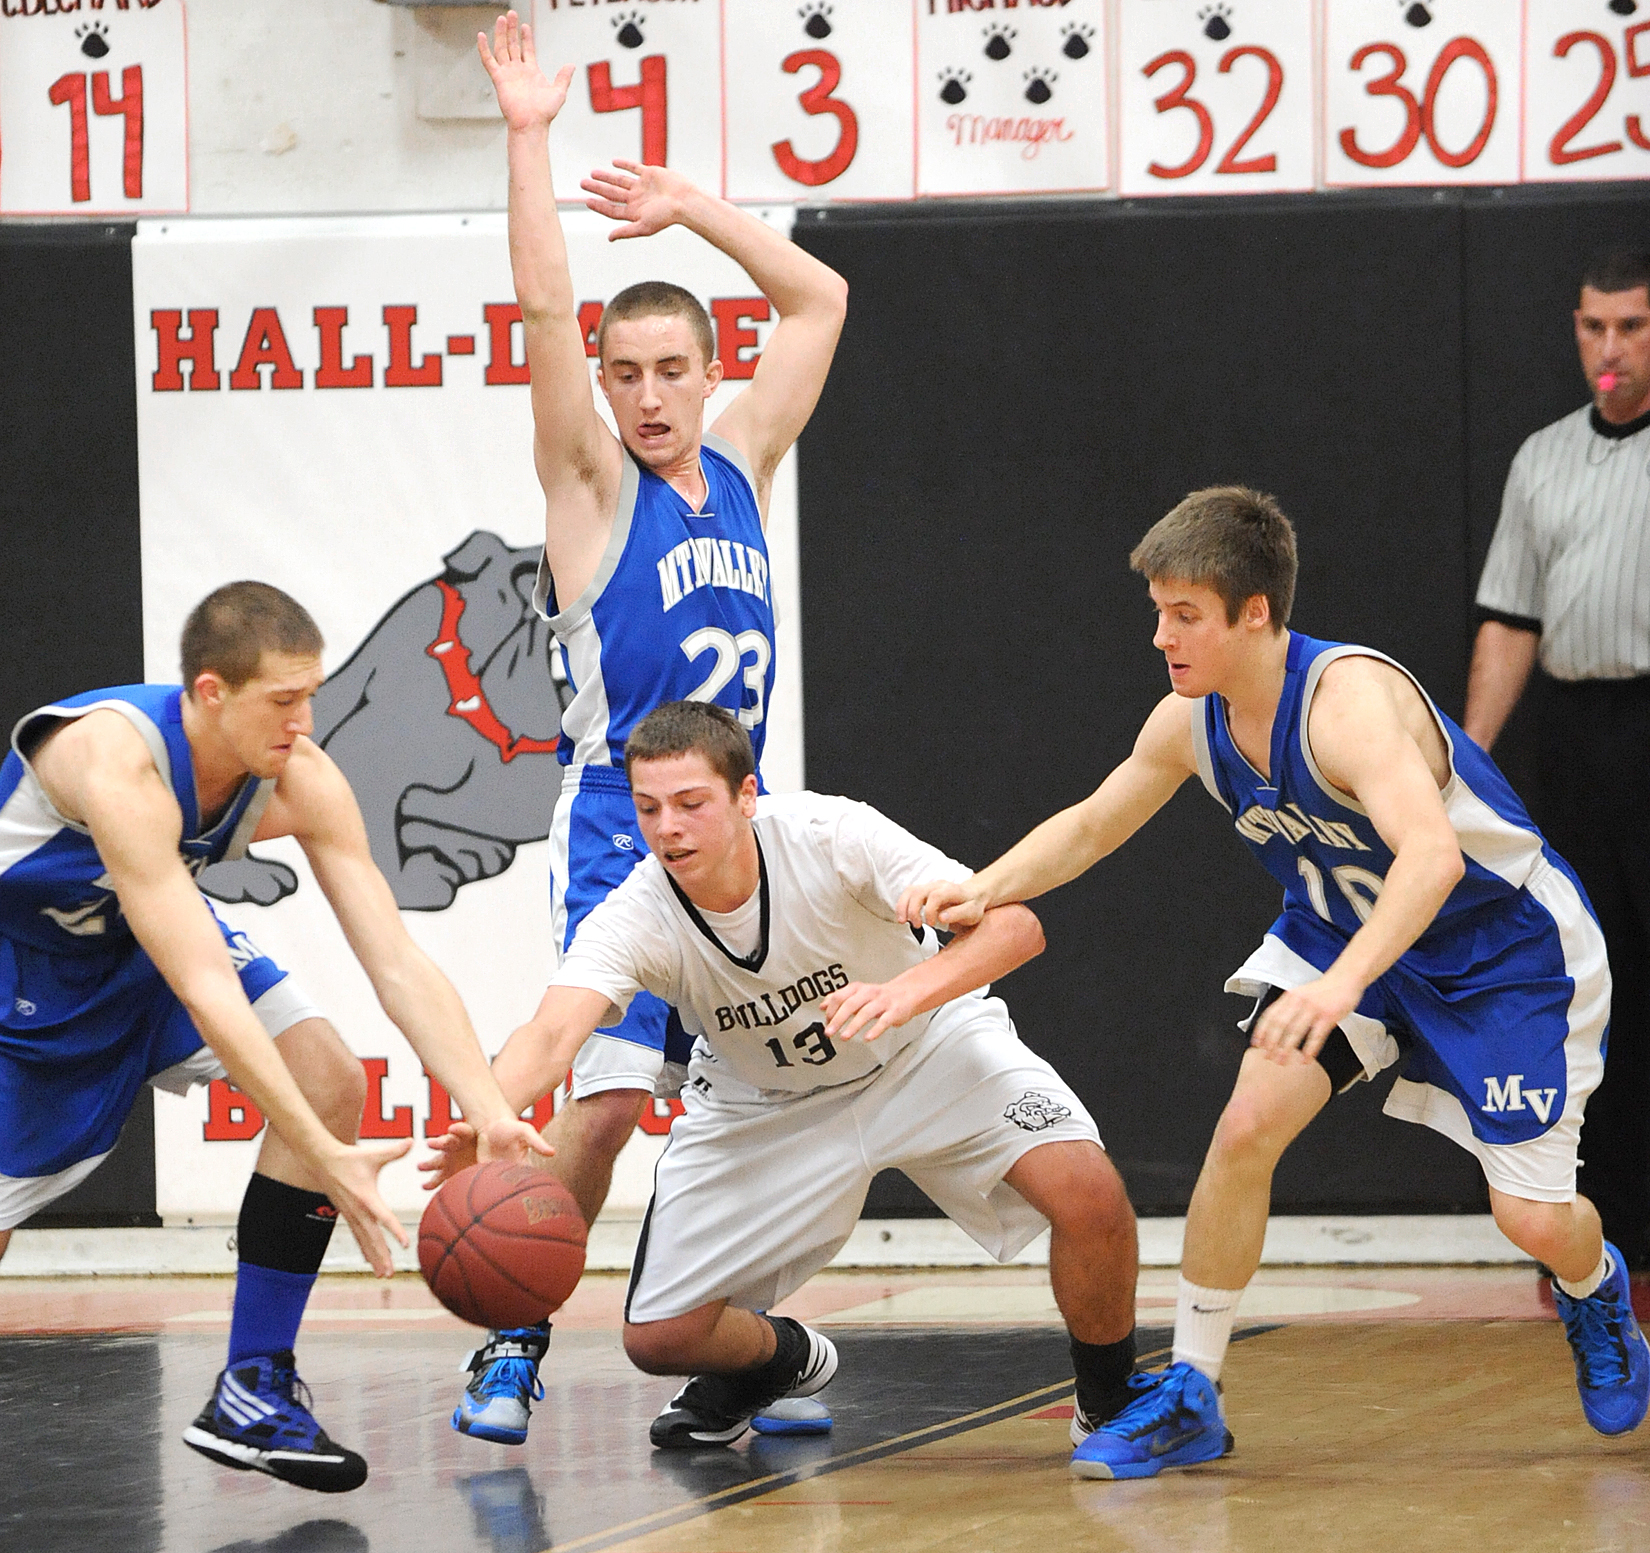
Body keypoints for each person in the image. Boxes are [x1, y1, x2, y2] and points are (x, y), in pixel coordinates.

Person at [902, 487, 1649, 1480]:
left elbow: (1430, 858)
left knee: (1532, 1219)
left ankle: (1595, 1287)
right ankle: (1193, 1390)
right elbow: (1093, 822)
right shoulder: (1190, 720)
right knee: (1247, 1124)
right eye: (1158, 611)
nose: (1162, 636)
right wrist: (982, 885)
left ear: (1254, 612)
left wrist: (1339, 988)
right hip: (1344, 930)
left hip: (1503, 952)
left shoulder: (1349, 706)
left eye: (1185, 614)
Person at [451, 12, 850, 1444]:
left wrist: (691, 206)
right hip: (629, 835)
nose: (647, 394)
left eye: (671, 368)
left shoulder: (744, 454)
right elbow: (542, 306)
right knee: (611, 1104)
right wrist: (529, 137)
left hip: (752, 838)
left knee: (781, 1105)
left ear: (705, 370)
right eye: (625, 373)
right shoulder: (590, 489)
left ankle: (747, 1356)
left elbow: (819, 300)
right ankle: (511, 1342)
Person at [425, 700, 1142, 1460]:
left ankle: (1109, 1405)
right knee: (659, 1337)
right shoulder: (636, 912)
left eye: (691, 803)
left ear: (745, 795)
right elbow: (550, 1032)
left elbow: (1015, 927)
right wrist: (490, 1111)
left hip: (924, 1048)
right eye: (649, 808)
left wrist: (906, 992)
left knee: (1090, 1194)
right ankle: (781, 1361)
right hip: (763, 1101)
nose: (668, 828)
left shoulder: (831, 835)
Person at [0, 582, 549, 1493]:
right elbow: (206, 986)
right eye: (283, 700)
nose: (305, 722)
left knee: (329, 1078)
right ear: (210, 692)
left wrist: (488, 1108)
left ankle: (251, 1387)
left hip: (143, 944)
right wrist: (325, 1158)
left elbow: (395, 960)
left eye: (312, 696)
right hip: (25, 972)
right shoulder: (119, 763)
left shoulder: (298, 775)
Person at [1464, 249, 1650, 1271]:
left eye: (1631, 326)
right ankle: (1605, 1224)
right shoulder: (1542, 458)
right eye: (1593, 326)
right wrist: (1465, 758)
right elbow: (1510, 618)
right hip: (1576, 735)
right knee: (1590, 973)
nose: (1609, 347)